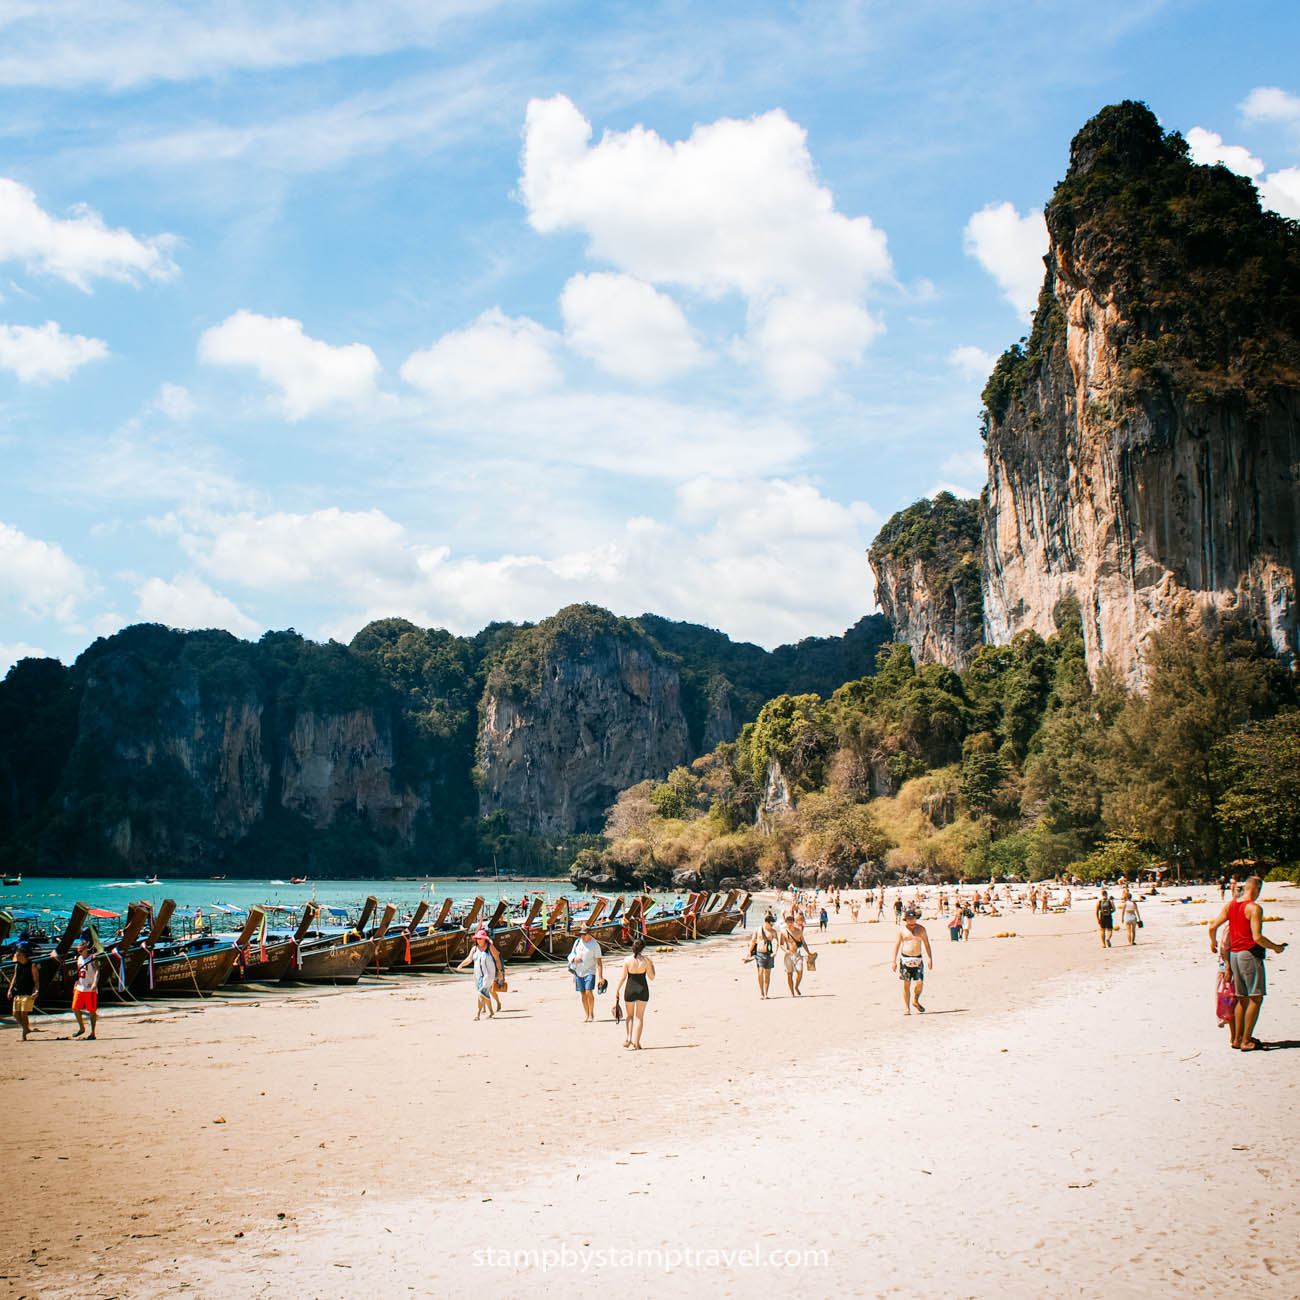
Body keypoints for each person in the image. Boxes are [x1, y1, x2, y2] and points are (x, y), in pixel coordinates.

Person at [1208, 875, 1288, 1051]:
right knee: (1255, 998)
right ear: (1257, 889)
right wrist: (1275, 947)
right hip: (1248, 954)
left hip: (1234, 955)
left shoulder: (1231, 905)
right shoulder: (1254, 908)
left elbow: (1212, 926)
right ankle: (1246, 1040)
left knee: (1242, 999)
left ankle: (1237, 1039)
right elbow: (1257, 937)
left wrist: (1213, 942)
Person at [615, 938, 656, 1049]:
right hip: (642, 988)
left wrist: (617, 990)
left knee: (629, 1016)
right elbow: (652, 977)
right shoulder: (646, 961)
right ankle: (637, 1042)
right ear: (642, 948)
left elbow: (623, 977)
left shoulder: (627, 960)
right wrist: (652, 965)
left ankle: (628, 1038)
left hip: (630, 989)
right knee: (639, 1017)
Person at [892, 909, 933, 1015]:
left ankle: (915, 1000)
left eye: (913, 918)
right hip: (905, 959)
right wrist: (894, 961)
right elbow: (897, 945)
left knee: (919, 983)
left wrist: (929, 958)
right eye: (909, 919)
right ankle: (907, 1008)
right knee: (906, 983)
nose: (911, 921)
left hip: (917, 959)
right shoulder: (902, 931)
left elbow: (927, 944)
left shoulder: (921, 929)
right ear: (906, 919)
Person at [456, 929, 500, 1020]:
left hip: (488, 974)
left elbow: (497, 958)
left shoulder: (489, 947)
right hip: (478, 975)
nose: (479, 940)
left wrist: (500, 971)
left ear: (485, 939)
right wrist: (460, 966)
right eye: (478, 938)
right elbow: (469, 959)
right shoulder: (474, 949)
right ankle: (491, 1012)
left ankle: (477, 1014)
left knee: (481, 993)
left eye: (481, 938)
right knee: (484, 993)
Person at [567, 924, 604, 1023]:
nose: (582, 936)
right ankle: (587, 1014)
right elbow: (571, 954)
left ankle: (591, 1013)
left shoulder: (595, 945)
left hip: (590, 971)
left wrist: (601, 977)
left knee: (588, 991)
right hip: (579, 971)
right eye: (581, 934)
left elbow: (599, 962)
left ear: (589, 934)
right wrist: (574, 959)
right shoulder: (578, 942)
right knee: (582, 993)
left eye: (584, 934)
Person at [6, 941, 39, 1041]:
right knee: (15, 1013)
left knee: (24, 1013)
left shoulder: (31, 965)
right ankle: (26, 1028)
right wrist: (10, 989)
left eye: (18, 954)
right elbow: (14, 978)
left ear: (23, 955)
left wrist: (36, 990)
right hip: (18, 992)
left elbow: (36, 980)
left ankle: (24, 1035)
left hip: (28, 992)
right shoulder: (17, 965)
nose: (16, 956)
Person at [71, 938, 101, 1040]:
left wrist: (95, 984)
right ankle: (81, 1028)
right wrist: (76, 983)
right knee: (75, 1007)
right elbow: (79, 972)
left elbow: (97, 971)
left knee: (91, 1011)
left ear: (85, 949)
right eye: (78, 950)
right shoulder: (79, 958)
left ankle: (93, 1032)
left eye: (80, 950)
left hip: (89, 988)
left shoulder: (92, 958)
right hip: (80, 986)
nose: (79, 952)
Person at [745, 912, 779, 999]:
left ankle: (766, 993)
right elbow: (753, 941)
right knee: (760, 972)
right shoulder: (758, 929)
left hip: (769, 954)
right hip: (759, 953)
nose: (773, 924)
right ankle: (761, 993)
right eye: (772, 923)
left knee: (767, 974)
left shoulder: (773, 932)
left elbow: (776, 942)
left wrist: (775, 952)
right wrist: (749, 951)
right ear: (767, 922)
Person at [780, 924, 806, 997]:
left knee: (800, 971)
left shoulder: (798, 931)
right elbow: (781, 944)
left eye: (791, 921)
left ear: (793, 922)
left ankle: (796, 986)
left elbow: (803, 943)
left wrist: (809, 953)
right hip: (788, 955)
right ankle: (792, 992)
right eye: (788, 922)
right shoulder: (783, 932)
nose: (790, 923)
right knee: (789, 974)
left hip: (797, 954)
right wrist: (786, 950)